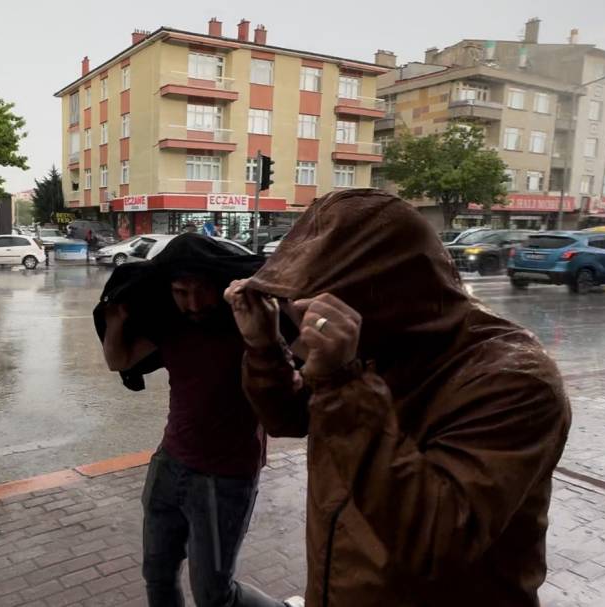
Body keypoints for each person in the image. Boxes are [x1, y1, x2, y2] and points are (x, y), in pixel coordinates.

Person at [224, 189, 571, 606]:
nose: (304, 337)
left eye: (316, 311)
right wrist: (264, 349)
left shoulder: (515, 380)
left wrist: (342, 383)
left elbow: (437, 539)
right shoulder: (376, 343)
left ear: (385, 293)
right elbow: (291, 420)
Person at [95, 234, 285, 607]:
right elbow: (120, 360)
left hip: (225, 477)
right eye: (181, 292)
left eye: (202, 291)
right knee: (157, 576)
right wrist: (115, 320)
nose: (193, 303)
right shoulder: (170, 325)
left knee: (216, 595)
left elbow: (288, 386)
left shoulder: (247, 328)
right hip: (170, 464)